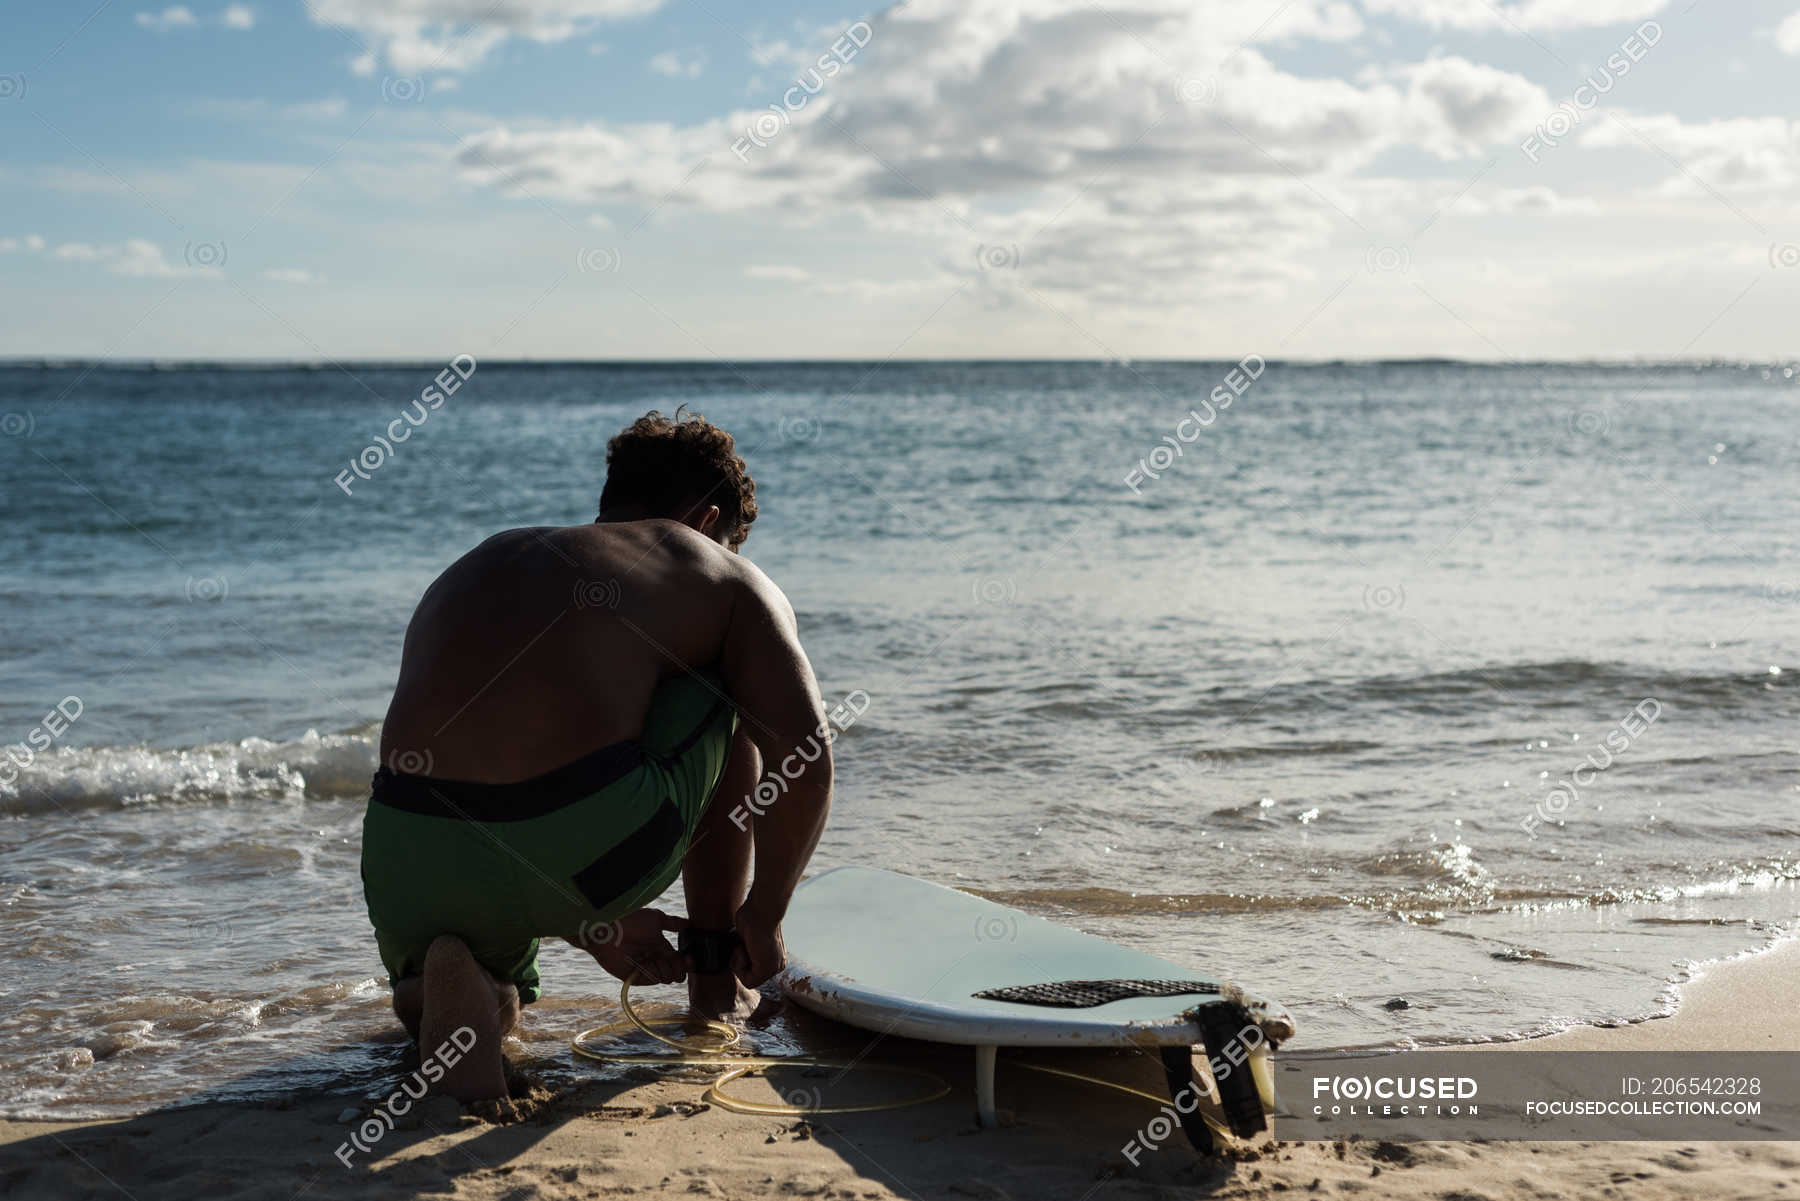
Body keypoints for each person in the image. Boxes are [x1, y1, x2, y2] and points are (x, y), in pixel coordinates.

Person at [360, 408, 833, 1100]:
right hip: (576, 846)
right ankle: (714, 982)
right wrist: (763, 912)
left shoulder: (490, 557)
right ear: (708, 523)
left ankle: (467, 995)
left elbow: (512, 762)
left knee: (489, 943)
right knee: (734, 696)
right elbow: (806, 754)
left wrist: (591, 928)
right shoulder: (712, 569)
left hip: (407, 857)